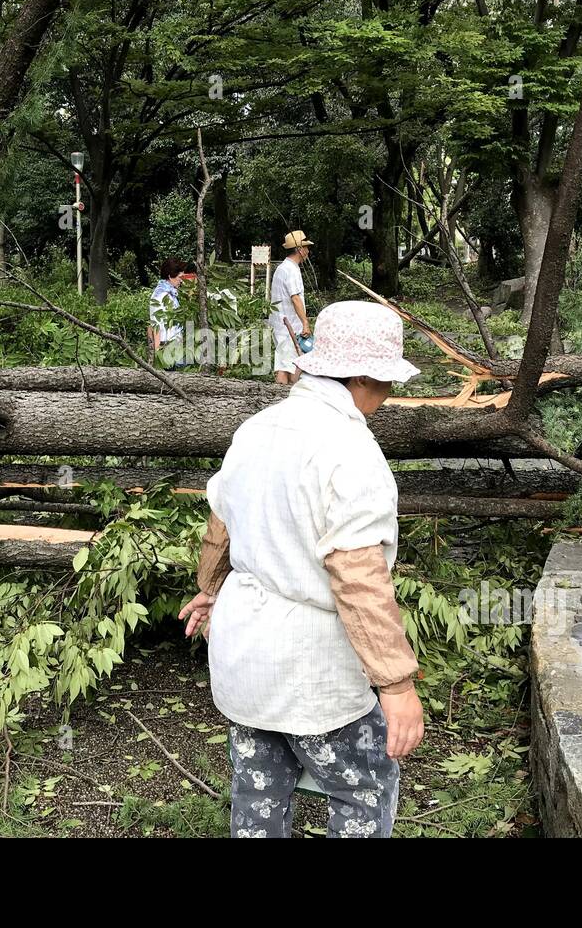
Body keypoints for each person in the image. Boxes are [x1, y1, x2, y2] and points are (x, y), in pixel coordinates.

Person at [179, 300, 424, 838]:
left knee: (259, 793)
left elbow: (221, 523)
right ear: (364, 376)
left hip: (244, 651)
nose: (387, 397)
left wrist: (211, 589)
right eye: (385, 382)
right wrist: (397, 684)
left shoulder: (258, 429)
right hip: (311, 665)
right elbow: (357, 575)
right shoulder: (350, 450)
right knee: (362, 788)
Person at [268, 230, 312, 384]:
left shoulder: (283, 268)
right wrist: (305, 322)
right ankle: (279, 398)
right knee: (285, 366)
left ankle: (288, 395)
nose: (308, 251)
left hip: (281, 324)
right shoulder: (291, 270)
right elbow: (295, 298)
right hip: (288, 326)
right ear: (300, 249)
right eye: (306, 247)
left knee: (290, 364)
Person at [149, 257, 186, 367]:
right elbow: (156, 324)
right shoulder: (160, 296)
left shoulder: (171, 293)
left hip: (176, 344)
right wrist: (157, 354)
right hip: (166, 346)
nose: (181, 280)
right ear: (170, 276)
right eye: (180, 277)